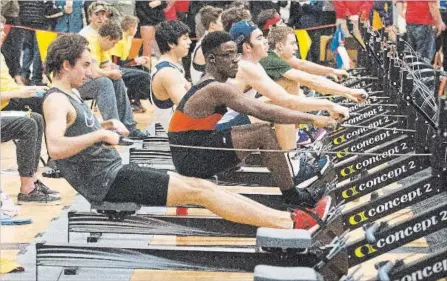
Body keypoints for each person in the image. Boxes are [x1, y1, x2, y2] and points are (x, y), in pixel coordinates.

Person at [42, 33, 332, 231]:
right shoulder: (57, 99)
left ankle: (290, 217)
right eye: (84, 65)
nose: (91, 71)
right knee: (200, 190)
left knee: (204, 189)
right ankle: (291, 222)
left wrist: (103, 127)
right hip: (107, 183)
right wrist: (99, 136)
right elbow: (55, 148)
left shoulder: (70, 97)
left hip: (115, 174)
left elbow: (73, 136)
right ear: (66, 65)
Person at [168, 31, 337, 208]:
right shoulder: (215, 88)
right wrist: (313, 119)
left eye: (236, 53)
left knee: (261, 129)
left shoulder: (214, 84)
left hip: (198, 146)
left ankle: (291, 183)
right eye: (228, 55)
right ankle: (293, 196)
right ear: (211, 59)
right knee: (262, 133)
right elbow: (260, 110)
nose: (235, 60)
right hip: (189, 160)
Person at [0, 19, 60, 205]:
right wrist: (17, 92)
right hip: (7, 102)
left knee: (36, 118)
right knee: (28, 122)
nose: (3, 34)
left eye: (3, 30)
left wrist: (27, 88)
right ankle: (27, 188)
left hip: (9, 98)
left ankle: (31, 179)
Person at [79, 20, 148, 138]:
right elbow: (94, 73)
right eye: (113, 43)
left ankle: (129, 127)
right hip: (71, 84)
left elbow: (107, 66)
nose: (114, 46)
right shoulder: (91, 42)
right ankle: (114, 130)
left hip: (83, 79)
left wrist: (114, 72)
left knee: (117, 79)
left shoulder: (101, 45)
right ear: (106, 38)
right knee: (104, 82)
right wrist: (111, 73)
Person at [149, 20, 192, 132]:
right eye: (185, 38)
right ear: (171, 43)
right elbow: (188, 109)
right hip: (179, 135)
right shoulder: (167, 72)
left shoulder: (172, 66)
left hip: (182, 129)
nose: (190, 42)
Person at [110, 15, 152, 113]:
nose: (136, 30)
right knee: (143, 75)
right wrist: (135, 61)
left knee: (144, 70)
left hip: (121, 65)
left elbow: (125, 60)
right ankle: (133, 101)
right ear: (131, 27)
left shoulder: (127, 39)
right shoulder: (120, 40)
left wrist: (137, 60)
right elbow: (115, 62)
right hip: (115, 68)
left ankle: (136, 99)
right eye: (136, 27)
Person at [191, 5, 224, 84]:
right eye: (220, 21)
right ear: (212, 25)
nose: (223, 23)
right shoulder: (208, 44)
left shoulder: (210, 40)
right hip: (202, 89)